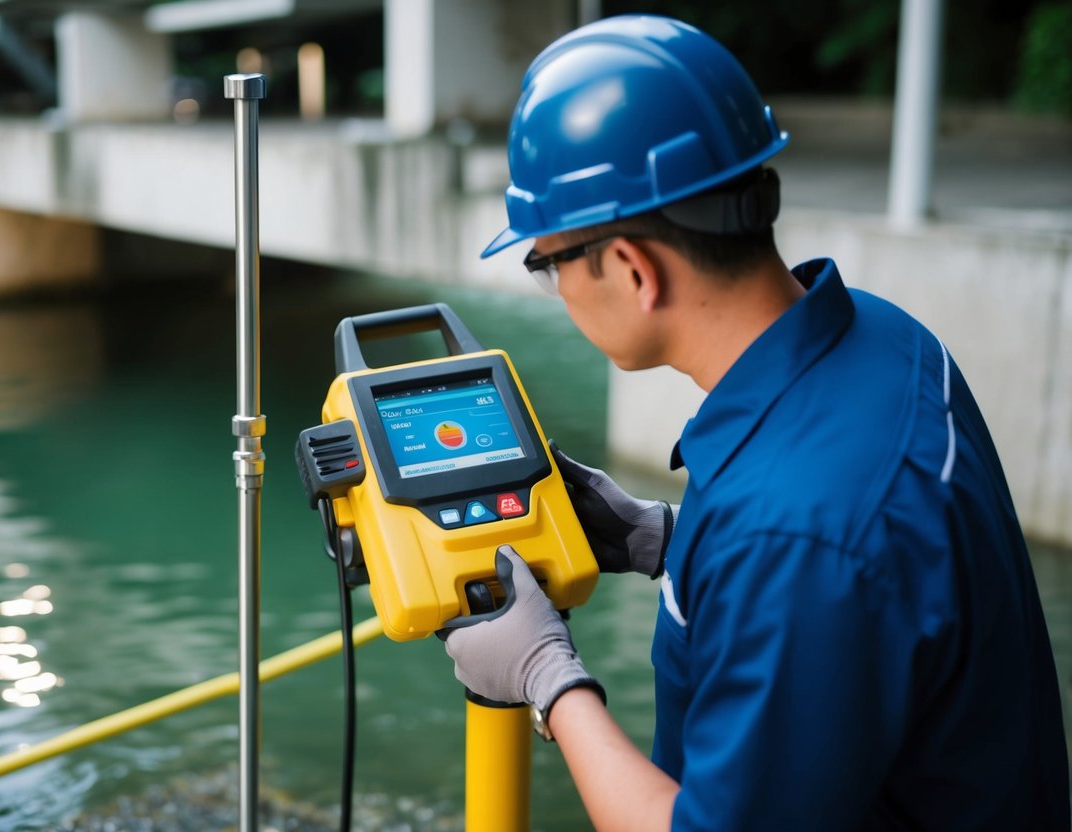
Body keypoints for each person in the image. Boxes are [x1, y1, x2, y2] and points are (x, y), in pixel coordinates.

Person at [442, 14, 1070, 831]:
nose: (555, 290)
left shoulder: (794, 537)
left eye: (547, 262)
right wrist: (665, 541)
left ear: (632, 268)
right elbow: (877, 590)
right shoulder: (889, 339)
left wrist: (545, 678)